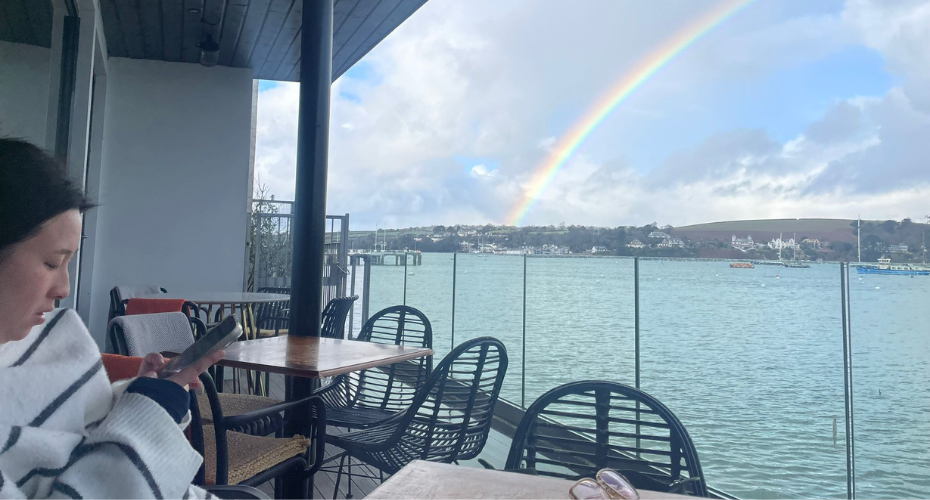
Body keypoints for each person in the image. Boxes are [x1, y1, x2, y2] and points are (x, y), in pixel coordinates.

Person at [0, 138, 223, 498]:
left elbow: (78, 426)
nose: (64, 288)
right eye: (51, 263)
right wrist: (155, 411)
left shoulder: (48, 334)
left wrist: (139, 395)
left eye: (69, 262)